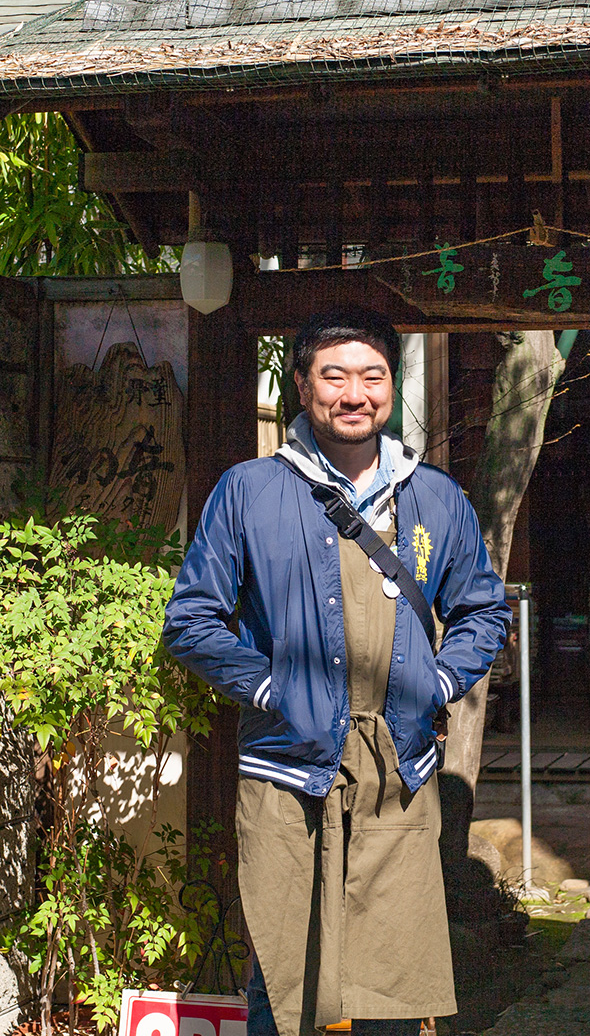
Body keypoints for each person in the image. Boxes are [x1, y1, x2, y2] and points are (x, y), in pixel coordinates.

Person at [164, 309, 511, 1036]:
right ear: (300, 384)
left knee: (392, 987)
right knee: (284, 982)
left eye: (372, 376)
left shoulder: (434, 497)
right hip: (285, 767)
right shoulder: (249, 491)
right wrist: (268, 690)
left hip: (399, 769)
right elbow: (191, 621)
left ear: (389, 386)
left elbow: (484, 612)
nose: (354, 393)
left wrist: (439, 684)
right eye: (334, 375)